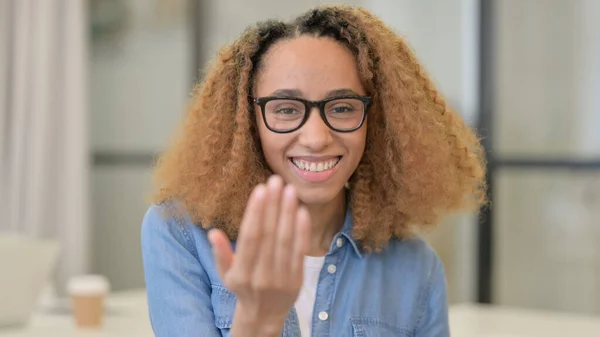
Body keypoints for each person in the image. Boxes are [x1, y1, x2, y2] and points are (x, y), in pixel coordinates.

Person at [141, 4, 486, 337]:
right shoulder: (180, 235)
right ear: (247, 122)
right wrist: (259, 320)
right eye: (287, 109)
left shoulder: (417, 269)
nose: (317, 138)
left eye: (342, 107)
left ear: (377, 122)